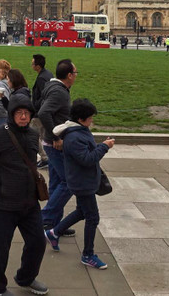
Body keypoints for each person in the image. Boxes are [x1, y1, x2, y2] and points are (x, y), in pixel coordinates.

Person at [0, 94, 48, 296]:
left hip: (29, 202)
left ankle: (25, 277)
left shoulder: (33, 134)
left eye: (27, 113)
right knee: (0, 249)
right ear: (11, 115)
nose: (23, 117)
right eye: (19, 113)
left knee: (38, 242)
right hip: (4, 204)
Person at [44, 99, 114, 269]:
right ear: (81, 119)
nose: (92, 120)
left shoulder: (80, 130)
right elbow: (87, 159)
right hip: (82, 183)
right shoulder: (74, 137)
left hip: (84, 180)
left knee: (82, 212)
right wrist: (104, 147)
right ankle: (87, 255)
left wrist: (100, 146)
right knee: (93, 218)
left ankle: (54, 233)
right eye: (90, 118)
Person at [38, 59, 78, 235]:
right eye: (75, 73)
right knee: (69, 182)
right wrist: (56, 136)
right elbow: (43, 112)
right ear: (69, 75)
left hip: (51, 142)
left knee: (56, 183)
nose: (76, 75)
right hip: (55, 144)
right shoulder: (58, 92)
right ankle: (43, 219)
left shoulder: (55, 88)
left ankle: (54, 226)